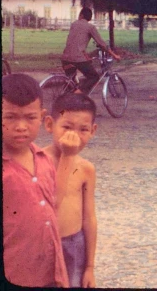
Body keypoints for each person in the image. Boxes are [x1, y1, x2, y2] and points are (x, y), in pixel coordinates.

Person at [2, 73, 79, 287]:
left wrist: (68, 156)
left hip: (50, 274)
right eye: (10, 117)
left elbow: (55, 203)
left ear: (42, 116)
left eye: (29, 117)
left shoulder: (43, 160)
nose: (21, 126)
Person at [42, 92, 99, 288]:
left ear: (93, 130)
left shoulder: (86, 169)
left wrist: (90, 266)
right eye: (66, 127)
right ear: (50, 124)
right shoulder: (38, 161)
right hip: (43, 246)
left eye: (83, 129)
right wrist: (67, 156)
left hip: (74, 245)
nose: (73, 135)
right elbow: (52, 201)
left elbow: (89, 218)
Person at [61, 7, 121, 94]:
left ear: (81, 15)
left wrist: (85, 54)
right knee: (94, 77)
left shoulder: (73, 24)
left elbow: (75, 42)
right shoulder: (90, 27)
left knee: (71, 81)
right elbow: (101, 43)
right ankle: (79, 94)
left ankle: (70, 97)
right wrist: (114, 55)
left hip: (65, 58)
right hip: (78, 59)